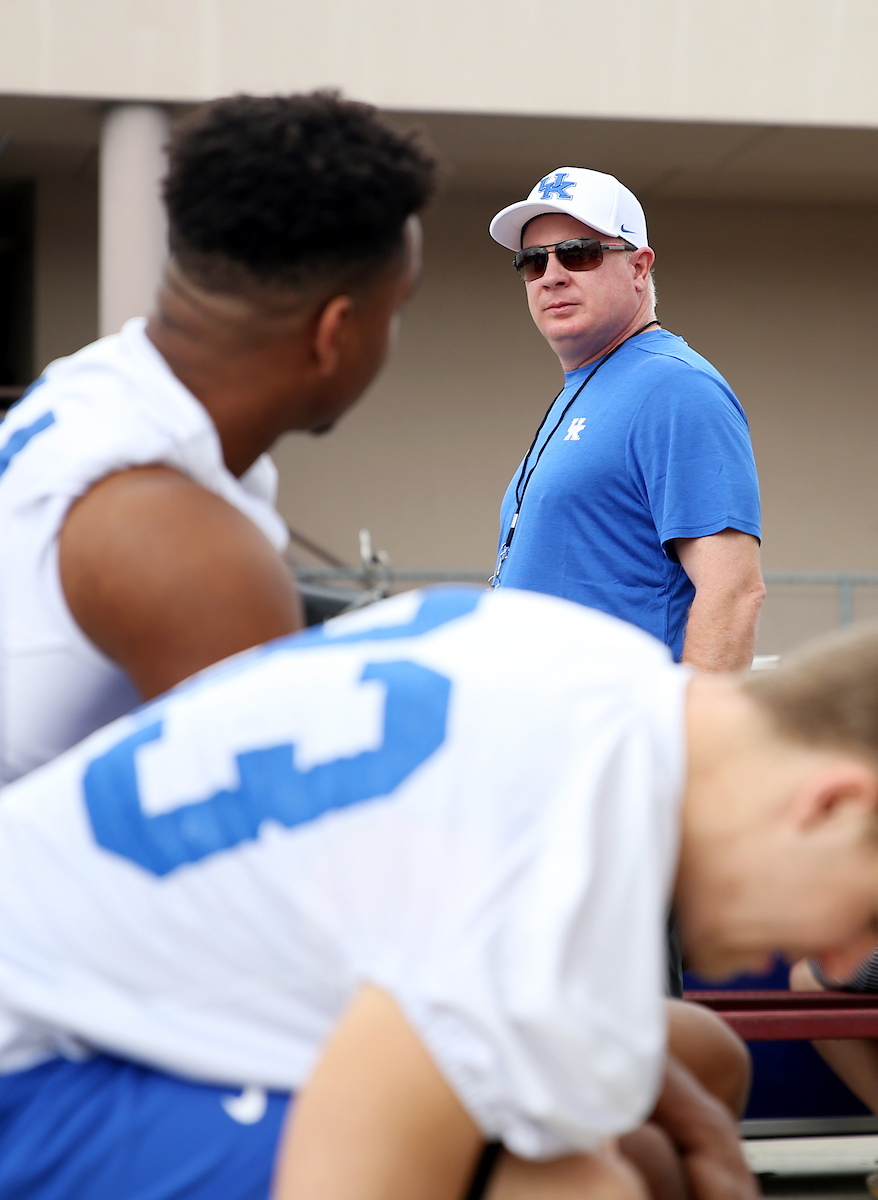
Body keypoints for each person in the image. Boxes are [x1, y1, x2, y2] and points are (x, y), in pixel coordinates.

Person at [2, 586, 878, 1199]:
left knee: (696, 1056)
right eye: (869, 919)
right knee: (581, 1190)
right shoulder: (547, 853)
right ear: (834, 805)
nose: (843, 961)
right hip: (34, 1064)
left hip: (79, 961)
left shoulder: (596, 666)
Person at [0, 91, 435, 784]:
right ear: (335, 333)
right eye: (397, 308)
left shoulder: (95, 382)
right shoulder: (189, 552)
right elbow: (291, 859)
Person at [488, 167, 765, 674]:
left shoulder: (673, 387)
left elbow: (733, 591)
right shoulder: (591, 387)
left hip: (620, 743)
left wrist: (694, 747)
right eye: (532, 261)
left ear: (639, 268)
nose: (552, 274)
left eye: (578, 253)